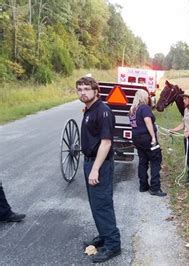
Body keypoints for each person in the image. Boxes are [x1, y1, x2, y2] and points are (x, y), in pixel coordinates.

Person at [76, 76, 121, 263]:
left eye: (87, 89)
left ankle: (113, 245)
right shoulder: (89, 109)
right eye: (79, 89)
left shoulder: (102, 111)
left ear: (96, 91)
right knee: (96, 204)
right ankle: (104, 235)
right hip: (90, 162)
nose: (82, 92)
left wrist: (95, 169)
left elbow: (106, 142)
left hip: (99, 164)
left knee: (102, 204)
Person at [129, 90, 166, 196]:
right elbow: (147, 122)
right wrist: (153, 137)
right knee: (155, 159)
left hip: (137, 138)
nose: (148, 98)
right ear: (143, 97)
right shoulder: (144, 108)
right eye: (147, 96)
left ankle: (143, 185)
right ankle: (155, 187)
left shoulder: (132, 110)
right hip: (147, 138)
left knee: (143, 160)